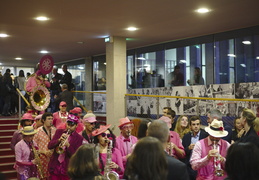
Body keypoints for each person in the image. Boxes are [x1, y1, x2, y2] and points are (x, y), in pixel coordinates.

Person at [48, 114, 83, 180]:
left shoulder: (79, 138)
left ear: (76, 126)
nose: (69, 127)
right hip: (55, 166)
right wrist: (59, 140)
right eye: (68, 124)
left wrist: (68, 145)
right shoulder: (59, 132)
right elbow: (49, 146)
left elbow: (75, 155)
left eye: (72, 125)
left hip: (67, 168)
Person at [182, 116, 208, 180]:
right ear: (190, 126)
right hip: (189, 166)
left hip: (201, 165)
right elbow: (182, 151)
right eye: (193, 124)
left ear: (200, 125)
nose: (196, 126)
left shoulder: (205, 136)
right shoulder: (186, 136)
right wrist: (188, 148)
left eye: (197, 124)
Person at [33, 112, 56, 179]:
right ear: (43, 120)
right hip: (42, 159)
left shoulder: (55, 130)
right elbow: (34, 147)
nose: (51, 120)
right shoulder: (37, 132)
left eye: (52, 119)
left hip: (53, 158)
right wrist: (44, 152)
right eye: (49, 119)